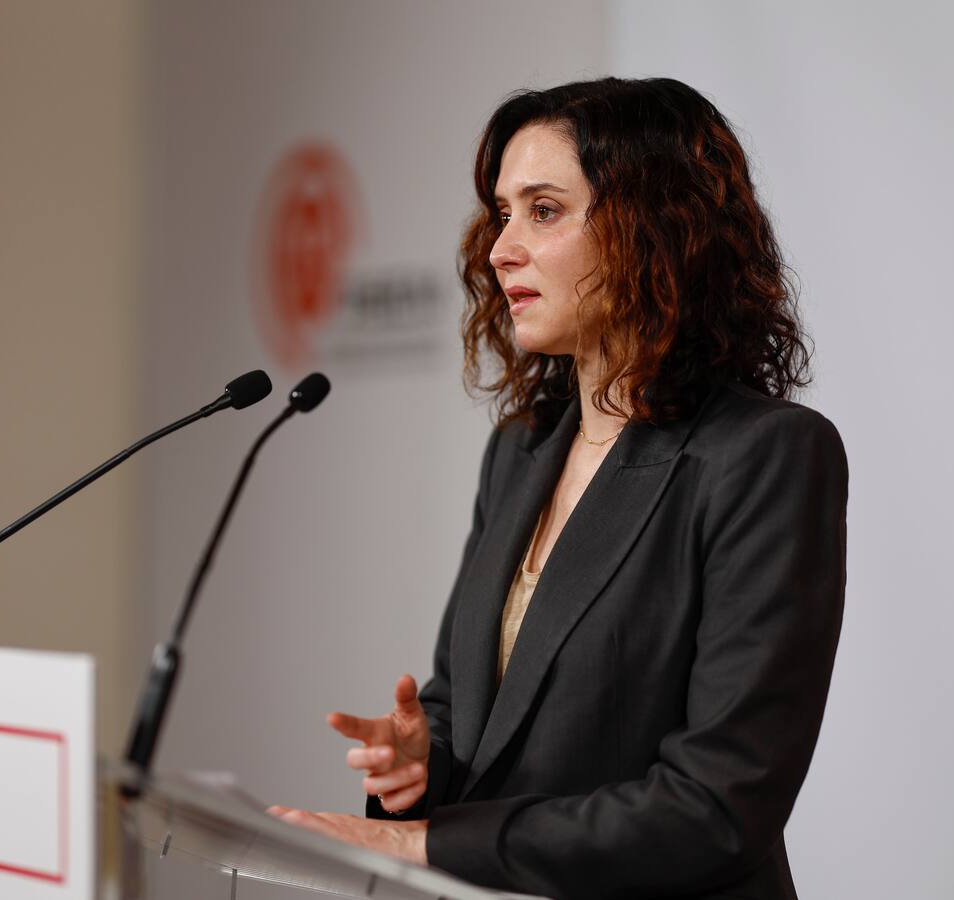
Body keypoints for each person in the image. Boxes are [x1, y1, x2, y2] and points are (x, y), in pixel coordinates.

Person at [268, 76, 848, 900]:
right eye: (502, 213)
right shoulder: (521, 451)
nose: (500, 248)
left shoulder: (765, 455)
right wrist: (422, 767)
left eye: (543, 211)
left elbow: (716, 807)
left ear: (655, 227)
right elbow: (463, 707)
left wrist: (426, 844)